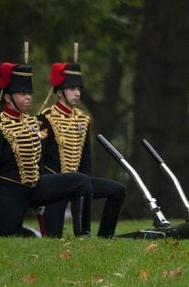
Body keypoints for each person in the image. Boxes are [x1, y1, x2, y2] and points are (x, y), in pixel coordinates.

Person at [0, 61, 93, 237]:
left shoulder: (33, 123)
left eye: (29, 93)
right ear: (8, 98)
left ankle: (83, 236)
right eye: (23, 94)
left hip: (35, 187)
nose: (28, 98)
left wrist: (43, 195)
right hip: (11, 192)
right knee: (7, 239)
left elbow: (38, 160)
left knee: (81, 181)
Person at [37, 60, 126, 237]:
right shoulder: (45, 118)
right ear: (60, 91)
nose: (77, 93)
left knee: (118, 189)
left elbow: (86, 159)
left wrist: (86, 185)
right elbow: (38, 158)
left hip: (80, 183)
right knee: (52, 238)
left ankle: (104, 237)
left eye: (79, 89)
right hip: (55, 184)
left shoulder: (83, 120)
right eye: (72, 89)